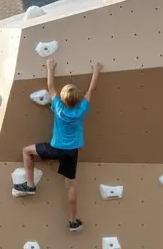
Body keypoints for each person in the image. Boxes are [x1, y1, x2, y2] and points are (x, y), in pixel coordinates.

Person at [13, 59, 102, 233]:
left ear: (63, 98)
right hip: (71, 153)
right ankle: (73, 221)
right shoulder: (81, 109)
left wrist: (50, 67)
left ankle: (30, 185)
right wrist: (96, 71)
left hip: (55, 149)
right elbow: (91, 90)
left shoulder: (58, 107)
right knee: (71, 186)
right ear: (78, 100)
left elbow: (50, 86)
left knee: (26, 151)